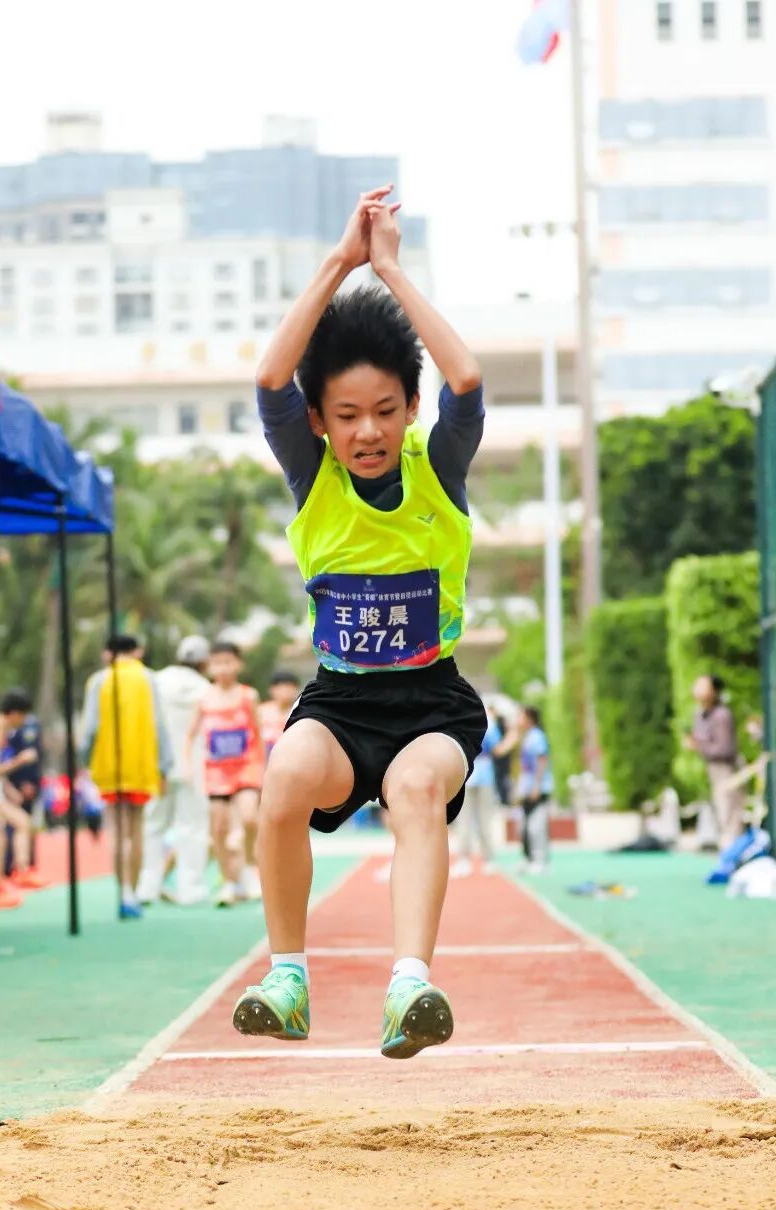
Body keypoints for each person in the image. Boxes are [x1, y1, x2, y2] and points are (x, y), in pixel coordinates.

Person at [232, 184, 486, 1059]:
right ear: (320, 423)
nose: (368, 431)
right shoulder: (314, 478)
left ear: (409, 410)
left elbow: (467, 380)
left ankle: (410, 985)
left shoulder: (438, 466)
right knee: (283, 776)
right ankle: (288, 978)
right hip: (339, 707)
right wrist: (341, 262)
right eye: (347, 416)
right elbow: (269, 378)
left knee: (417, 791)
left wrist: (392, 273)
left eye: (384, 410)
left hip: (433, 706)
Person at [81, 634, 172, 919]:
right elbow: (159, 724)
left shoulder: (100, 680)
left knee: (117, 832)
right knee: (136, 831)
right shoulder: (149, 679)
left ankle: (123, 892)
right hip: (142, 766)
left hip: (110, 767)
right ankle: (133, 893)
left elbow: (89, 729)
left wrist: (87, 761)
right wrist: (165, 765)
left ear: (109, 653)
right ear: (137, 651)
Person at [135, 635, 212, 907]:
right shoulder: (206, 688)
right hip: (194, 767)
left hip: (159, 766)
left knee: (153, 825)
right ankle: (190, 888)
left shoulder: (158, 680)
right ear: (204, 661)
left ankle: (147, 886)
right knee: (192, 827)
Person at [186, 640, 264, 906]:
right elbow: (191, 735)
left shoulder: (248, 696)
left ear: (239, 664)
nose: (223, 668)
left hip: (246, 768)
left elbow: (258, 732)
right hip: (216, 773)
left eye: (228, 662)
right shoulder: (204, 698)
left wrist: (264, 767)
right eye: (217, 662)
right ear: (209, 666)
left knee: (250, 818)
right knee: (218, 829)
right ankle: (229, 882)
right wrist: (187, 767)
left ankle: (252, 871)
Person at [685, 673, 744, 851]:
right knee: (721, 813)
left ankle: (734, 856)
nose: (697, 689)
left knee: (730, 815)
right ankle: (729, 853)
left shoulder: (722, 715)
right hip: (712, 768)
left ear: (714, 691)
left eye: (703, 686)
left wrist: (698, 745)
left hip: (727, 769)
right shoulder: (699, 714)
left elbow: (726, 749)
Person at [0, 688, 45, 885]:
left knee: (22, 823)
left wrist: (8, 789)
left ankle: (21, 870)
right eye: (23, 716)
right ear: (15, 714)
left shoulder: (5, 732)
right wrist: (20, 761)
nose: (24, 721)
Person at [451, 709, 501, 878]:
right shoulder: (487, 723)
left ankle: (485, 858)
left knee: (481, 819)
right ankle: (469, 858)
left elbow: (496, 748)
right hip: (468, 774)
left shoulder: (486, 723)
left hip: (477, 775)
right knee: (468, 819)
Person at [515, 705, 553, 874]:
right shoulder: (527, 737)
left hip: (538, 788)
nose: (518, 720)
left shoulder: (537, 737)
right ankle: (528, 858)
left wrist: (537, 785)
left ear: (529, 718)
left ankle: (540, 860)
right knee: (524, 826)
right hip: (527, 788)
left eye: (521, 716)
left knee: (536, 826)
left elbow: (542, 760)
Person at [258, 670, 301, 759]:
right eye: (281, 686)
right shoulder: (261, 711)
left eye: (289, 686)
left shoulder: (301, 713)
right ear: (272, 689)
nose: (285, 690)